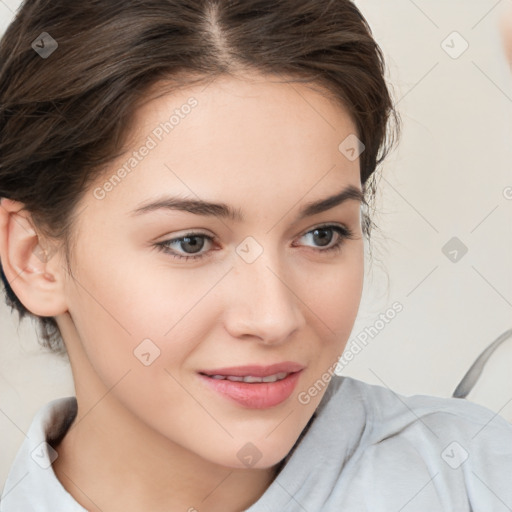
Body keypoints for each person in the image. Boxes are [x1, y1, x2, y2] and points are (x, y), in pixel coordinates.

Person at [0, 1, 511, 511]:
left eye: (321, 235)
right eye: (191, 243)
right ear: (34, 257)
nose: (274, 318)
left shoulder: (478, 476)